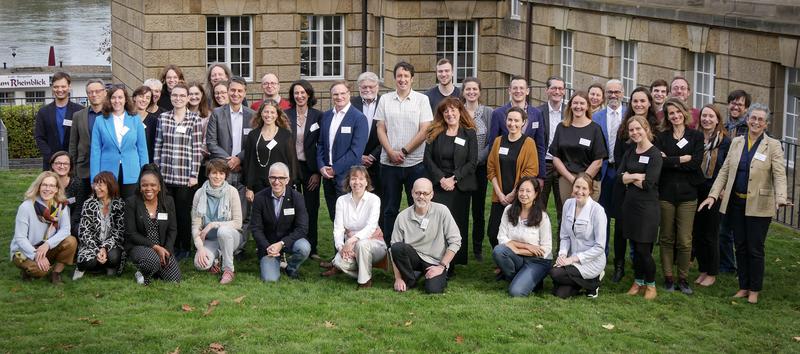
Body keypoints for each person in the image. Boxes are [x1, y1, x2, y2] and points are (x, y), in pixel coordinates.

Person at [699, 104, 789, 304]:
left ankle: (754, 289)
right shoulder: (737, 141)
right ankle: (743, 286)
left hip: (760, 204)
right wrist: (713, 195)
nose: (756, 122)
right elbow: (724, 171)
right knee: (739, 245)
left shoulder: (772, 145)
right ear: (747, 120)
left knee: (754, 248)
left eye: (760, 120)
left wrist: (781, 198)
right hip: (736, 203)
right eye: (753, 118)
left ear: (766, 124)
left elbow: (779, 174)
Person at [374, 62, 434, 244]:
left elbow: (425, 130)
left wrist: (405, 151)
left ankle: (417, 243)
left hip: (415, 164)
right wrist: (391, 152)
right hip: (388, 163)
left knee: (417, 205)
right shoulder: (385, 99)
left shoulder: (422, 100)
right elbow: (380, 127)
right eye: (399, 76)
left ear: (412, 79)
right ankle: (389, 244)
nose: (402, 79)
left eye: (406, 76)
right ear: (395, 78)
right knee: (389, 207)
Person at [607, 86, 658, 282]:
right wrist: (633, 176)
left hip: (646, 193)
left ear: (649, 103)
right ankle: (619, 266)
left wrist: (633, 176)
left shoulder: (657, 127)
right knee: (621, 229)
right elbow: (619, 158)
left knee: (643, 232)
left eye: (642, 101)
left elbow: (656, 161)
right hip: (623, 188)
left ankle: (644, 269)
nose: (638, 104)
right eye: (635, 101)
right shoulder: (624, 127)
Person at [654, 98, 704, 295]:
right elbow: (660, 162)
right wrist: (681, 159)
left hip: (688, 194)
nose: (675, 116)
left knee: (684, 240)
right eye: (670, 113)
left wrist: (671, 160)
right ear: (667, 117)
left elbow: (695, 163)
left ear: (684, 112)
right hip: (666, 193)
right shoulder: (662, 137)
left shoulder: (696, 136)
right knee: (666, 237)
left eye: (677, 112)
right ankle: (668, 277)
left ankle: (683, 278)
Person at [423, 97, 477, 270]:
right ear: (441, 114)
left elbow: (472, 161)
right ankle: (435, 259)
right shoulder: (434, 131)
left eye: (453, 110)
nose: (450, 113)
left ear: (460, 111)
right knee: (438, 225)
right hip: (439, 185)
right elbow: (428, 159)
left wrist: (453, 178)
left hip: (459, 185)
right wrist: (441, 179)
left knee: (457, 224)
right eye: (446, 111)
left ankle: (451, 263)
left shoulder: (469, 133)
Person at [153, 82, 205, 260]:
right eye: (175, 95)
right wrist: (156, 174)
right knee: (167, 212)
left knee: (183, 213)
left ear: (188, 98)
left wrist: (194, 175)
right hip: (166, 175)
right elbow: (158, 146)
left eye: (182, 96)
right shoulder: (163, 118)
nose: (178, 99)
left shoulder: (194, 119)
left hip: (185, 177)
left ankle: (185, 246)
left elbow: (197, 149)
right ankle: (170, 245)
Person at [618, 116, 663, 300]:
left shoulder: (655, 154)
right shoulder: (630, 151)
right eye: (631, 130)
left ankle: (651, 285)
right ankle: (638, 281)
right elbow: (619, 176)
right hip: (630, 205)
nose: (635, 133)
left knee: (644, 250)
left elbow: (650, 184)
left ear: (646, 129)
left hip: (647, 208)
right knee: (635, 248)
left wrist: (630, 177)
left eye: (638, 129)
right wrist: (637, 176)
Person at [390, 178, 461, 294]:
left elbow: (456, 241)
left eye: (425, 193)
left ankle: (424, 275)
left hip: (436, 261)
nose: (421, 196)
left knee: (433, 290)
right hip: (414, 257)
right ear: (412, 193)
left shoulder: (442, 211)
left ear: (431, 194)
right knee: (397, 247)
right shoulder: (402, 216)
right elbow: (392, 249)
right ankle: (410, 279)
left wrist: (441, 266)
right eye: (417, 193)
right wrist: (398, 278)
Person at [321, 166, 385, 288]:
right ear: (349, 181)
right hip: (349, 248)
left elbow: (371, 227)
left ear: (367, 182)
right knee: (339, 263)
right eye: (353, 178)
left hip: (374, 244)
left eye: (361, 179)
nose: (357, 182)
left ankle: (365, 282)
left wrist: (351, 240)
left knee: (362, 245)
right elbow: (338, 228)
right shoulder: (341, 200)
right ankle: (364, 272)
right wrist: (340, 247)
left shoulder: (374, 200)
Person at [206, 77, 256, 229]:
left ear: (245, 93)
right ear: (228, 91)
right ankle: (220, 244)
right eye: (233, 90)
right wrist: (229, 161)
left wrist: (239, 159)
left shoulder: (252, 115)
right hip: (222, 170)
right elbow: (211, 142)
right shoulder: (217, 113)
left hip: (244, 169)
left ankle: (239, 248)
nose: (236, 93)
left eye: (240, 91)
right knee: (221, 210)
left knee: (243, 211)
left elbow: (254, 144)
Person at [10, 171, 77, 284]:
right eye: (44, 185)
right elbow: (20, 238)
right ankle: (27, 270)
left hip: (45, 247)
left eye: (51, 186)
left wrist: (47, 244)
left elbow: (65, 230)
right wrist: (36, 254)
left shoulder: (60, 205)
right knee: (40, 271)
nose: (47, 189)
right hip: (21, 251)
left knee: (71, 241)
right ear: (38, 187)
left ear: (57, 189)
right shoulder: (26, 206)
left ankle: (56, 273)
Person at [487, 107, 539, 249]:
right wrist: (499, 193)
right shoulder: (498, 141)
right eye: (510, 120)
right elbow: (491, 168)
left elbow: (531, 171)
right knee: (493, 233)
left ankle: (512, 261)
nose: (513, 123)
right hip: (500, 197)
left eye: (517, 120)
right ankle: (501, 259)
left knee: (515, 232)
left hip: (519, 197)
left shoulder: (529, 143)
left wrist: (513, 193)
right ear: (505, 121)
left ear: (524, 122)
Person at [317, 81, 369, 221]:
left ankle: (349, 243)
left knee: (348, 218)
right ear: (331, 96)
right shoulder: (326, 116)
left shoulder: (359, 118)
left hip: (347, 177)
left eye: (342, 93)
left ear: (349, 94)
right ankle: (338, 244)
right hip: (327, 177)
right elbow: (321, 144)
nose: (339, 97)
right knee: (334, 217)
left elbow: (356, 152)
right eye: (335, 94)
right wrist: (322, 166)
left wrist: (335, 169)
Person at [492, 176, 552, 297]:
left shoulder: (542, 216)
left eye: (528, 191)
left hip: (537, 261)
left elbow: (545, 249)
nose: (524, 194)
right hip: (517, 256)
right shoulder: (509, 210)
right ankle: (523, 279)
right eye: (521, 190)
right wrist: (525, 247)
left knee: (516, 292)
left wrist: (515, 247)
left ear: (535, 194)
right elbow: (501, 239)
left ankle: (528, 280)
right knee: (499, 251)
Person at [250, 162, 310, 281]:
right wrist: (267, 247)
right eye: (273, 177)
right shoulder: (259, 198)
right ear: (269, 178)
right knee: (270, 279)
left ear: (287, 180)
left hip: (289, 241)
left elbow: (302, 228)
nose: (276, 181)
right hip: (268, 245)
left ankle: (291, 268)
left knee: (304, 247)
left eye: (281, 178)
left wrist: (282, 243)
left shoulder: (297, 198)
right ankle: (274, 261)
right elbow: (256, 228)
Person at [692, 104, 730, 287]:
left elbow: (730, 167)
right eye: (704, 116)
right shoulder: (696, 138)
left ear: (717, 120)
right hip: (696, 189)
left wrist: (722, 189)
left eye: (711, 116)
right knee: (697, 233)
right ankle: (703, 269)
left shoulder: (725, 142)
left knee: (711, 233)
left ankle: (713, 272)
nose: (706, 119)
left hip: (715, 192)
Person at [551, 174, 607, 299]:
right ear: (573, 187)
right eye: (577, 187)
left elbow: (600, 247)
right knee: (559, 293)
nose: (579, 191)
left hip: (591, 260)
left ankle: (595, 278)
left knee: (555, 273)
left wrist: (572, 259)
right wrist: (562, 255)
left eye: (584, 188)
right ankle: (588, 284)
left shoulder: (598, 211)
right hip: (570, 259)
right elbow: (564, 236)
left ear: (590, 191)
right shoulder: (568, 204)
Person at [124, 164, 181, 285]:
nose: (148, 188)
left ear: (159, 187)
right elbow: (131, 234)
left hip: (162, 247)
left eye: (153, 185)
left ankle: (153, 270)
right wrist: (155, 247)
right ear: (140, 187)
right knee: (152, 260)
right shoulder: (131, 202)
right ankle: (142, 272)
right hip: (139, 246)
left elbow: (172, 230)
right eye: (144, 185)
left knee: (174, 279)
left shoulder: (168, 201)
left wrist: (167, 251)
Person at [286, 79, 323, 260]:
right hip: (292, 167)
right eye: (296, 93)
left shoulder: (318, 116)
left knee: (311, 207)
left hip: (310, 169)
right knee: (291, 206)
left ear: (309, 94)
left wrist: (317, 171)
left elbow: (321, 144)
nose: (299, 96)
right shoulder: (286, 115)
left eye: (303, 93)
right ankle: (293, 243)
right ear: (293, 96)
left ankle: (312, 247)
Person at [549, 91, 607, 207]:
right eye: (575, 103)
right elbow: (556, 157)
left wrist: (583, 180)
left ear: (587, 106)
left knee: (586, 216)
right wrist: (571, 179)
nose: (578, 106)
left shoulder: (595, 129)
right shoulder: (562, 127)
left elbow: (598, 160)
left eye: (582, 103)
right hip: (567, 178)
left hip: (589, 179)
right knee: (568, 214)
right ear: (570, 105)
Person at [90, 84, 149, 199]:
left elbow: (142, 149)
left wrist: (145, 173)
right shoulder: (100, 121)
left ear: (126, 99)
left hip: (132, 172)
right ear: (109, 99)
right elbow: (95, 152)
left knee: (130, 206)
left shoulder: (135, 119)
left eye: (120, 97)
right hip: (107, 173)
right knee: (110, 207)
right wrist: (94, 179)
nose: (117, 101)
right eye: (113, 97)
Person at [191, 159, 245, 284]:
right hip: (210, 239)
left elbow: (238, 223)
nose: (218, 177)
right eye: (214, 173)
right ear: (208, 174)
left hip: (231, 237)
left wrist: (212, 224)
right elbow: (195, 226)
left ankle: (228, 270)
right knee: (200, 264)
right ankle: (216, 260)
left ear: (226, 175)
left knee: (223, 231)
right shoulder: (199, 194)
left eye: (221, 173)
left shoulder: (232, 192)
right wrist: (200, 248)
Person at [592, 79, 626, 274]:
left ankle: (620, 262)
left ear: (622, 93)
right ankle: (600, 256)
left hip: (621, 171)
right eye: (609, 92)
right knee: (601, 216)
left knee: (621, 218)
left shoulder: (629, 116)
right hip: (602, 172)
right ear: (605, 94)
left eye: (616, 92)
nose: (613, 95)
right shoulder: (597, 117)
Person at [488, 75, 546, 184]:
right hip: (506, 169)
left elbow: (540, 146)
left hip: (529, 168)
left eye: (521, 88)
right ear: (509, 90)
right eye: (514, 88)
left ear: (527, 91)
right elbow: (493, 145)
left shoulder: (537, 114)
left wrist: (541, 176)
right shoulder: (498, 113)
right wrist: (494, 174)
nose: (518, 91)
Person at [718, 90, 752, 274]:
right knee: (723, 230)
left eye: (740, 104)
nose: (735, 106)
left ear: (746, 108)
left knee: (740, 231)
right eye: (732, 102)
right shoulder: (723, 128)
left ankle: (742, 266)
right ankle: (727, 265)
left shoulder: (750, 129)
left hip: (742, 185)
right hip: (724, 183)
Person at [461, 76, 493, 261]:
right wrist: (466, 164)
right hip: (462, 169)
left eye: (475, 89)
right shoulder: (458, 110)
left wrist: (475, 161)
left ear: (480, 92)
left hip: (480, 168)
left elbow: (491, 141)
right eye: (468, 89)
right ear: (463, 92)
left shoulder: (488, 112)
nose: (471, 92)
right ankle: (461, 245)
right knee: (462, 209)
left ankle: (478, 248)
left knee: (479, 210)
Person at [73, 171, 126, 280]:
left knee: (113, 257)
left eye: (100, 185)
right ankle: (91, 266)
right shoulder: (89, 203)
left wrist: (105, 247)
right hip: (92, 245)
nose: (96, 188)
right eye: (95, 184)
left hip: (111, 245)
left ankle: (108, 265)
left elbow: (119, 232)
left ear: (110, 186)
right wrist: (97, 250)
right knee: (88, 262)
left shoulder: (119, 204)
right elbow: (84, 232)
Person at [243, 100, 297, 201]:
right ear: (261, 113)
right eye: (266, 112)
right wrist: (249, 187)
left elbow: (292, 161)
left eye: (272, 112)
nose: (269, 115)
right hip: (258, 185)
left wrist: (290, 184)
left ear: (277, 115)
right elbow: (249, 162)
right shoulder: (253, 135)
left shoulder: (285, 135)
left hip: (280, 185)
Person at [34, 72, 85, 170]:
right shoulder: (43, 112)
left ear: (69, 87)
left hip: (73, 163)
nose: (60, 90)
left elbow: (83, 137)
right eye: (56, 87)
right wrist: (52, 158)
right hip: (51, 163)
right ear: (52, 88)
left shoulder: (80, 110)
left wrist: (73, 157)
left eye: (63, 86)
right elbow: (39, 137)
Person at [69, 79, 107, 200]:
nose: (94, 95)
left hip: (107, 166)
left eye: (97, 91)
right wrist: (73, 168)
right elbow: (73, 143)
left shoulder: (112, 115)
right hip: (84, 168)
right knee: (83, 202)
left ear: (105, 93)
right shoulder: (78, 116)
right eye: (90, 92)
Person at [350, 72, 383, 206]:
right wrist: (359, 156)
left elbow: (390, 133)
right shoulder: (351, 104)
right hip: (356, 159)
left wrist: (372, 156)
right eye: (364, 87)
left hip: (379, 159)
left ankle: (378, 227)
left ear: (377, 87)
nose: (368, 90)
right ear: (359, 87)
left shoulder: (385, 103)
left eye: (371, 86)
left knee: (379, 199)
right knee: (356, 199)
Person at [537, 76, 566, 222]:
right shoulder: (537, 112)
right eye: (554, 88)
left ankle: (563, 244)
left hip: (563, 165)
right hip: (544, 164)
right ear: (547, 90)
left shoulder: (570, 112)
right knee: (539, 208)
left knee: (564, 209)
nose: (557, 91)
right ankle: (540, 243)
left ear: (564, 91)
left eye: (560, 88)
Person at [49, 151, 82, 238]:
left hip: (72, 221)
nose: (62, 166)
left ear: (70, 166)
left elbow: (78, 209)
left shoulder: (77, 184)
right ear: (52, 165)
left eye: (66, 163)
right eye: (58, 163)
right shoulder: (47, 182)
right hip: (49, 221)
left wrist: (66, 226)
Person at [187, 82, 212, 185]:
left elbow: (207, 142)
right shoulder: (181, 113)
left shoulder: (209, 115)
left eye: (196, 94)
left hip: (201, 165)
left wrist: (195, 159)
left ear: (202, 95)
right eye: (191, 94)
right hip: (183, 164)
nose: (194, 97)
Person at [131, 85, 159, 163]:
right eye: (141, 96)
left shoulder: (154, 121)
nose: (144, 100)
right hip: (129, 162)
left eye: (147, 98)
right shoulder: (126, 118)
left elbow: (154, 146)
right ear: (134, 98)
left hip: (147, 163)